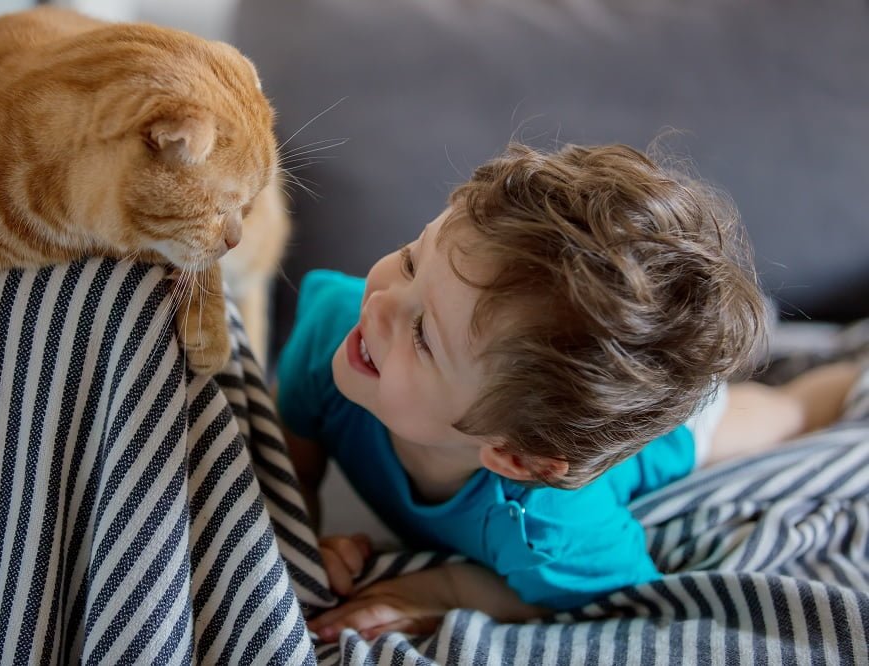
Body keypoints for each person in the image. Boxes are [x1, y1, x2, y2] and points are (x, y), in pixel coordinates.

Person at [273, 143, 862, 641]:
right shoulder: (334, 328)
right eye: (409, 261)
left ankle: (840, 378)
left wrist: (438, 590)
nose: (376, 305)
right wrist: (303, 543)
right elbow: (287, 469)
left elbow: (609, 593)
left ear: (513, 457)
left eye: (425, 335)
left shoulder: (551, 528)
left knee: (772, 413)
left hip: (652, 439)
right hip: (569, 406)